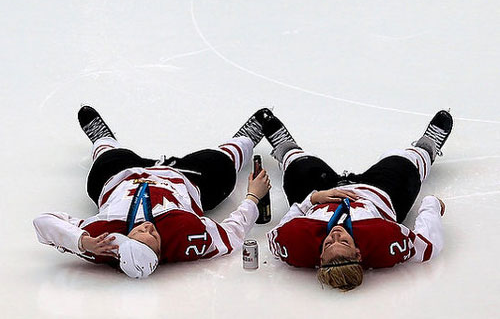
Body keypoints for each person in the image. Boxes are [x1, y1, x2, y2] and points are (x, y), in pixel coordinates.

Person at [33, 106, 271, 278]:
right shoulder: (188, 240)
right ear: (160, 252)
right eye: (154, 237)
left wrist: (81, 241)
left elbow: (43, 221)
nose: (148, 227)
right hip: (185, 177)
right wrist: (253, 196)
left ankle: (103, 140)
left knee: (106, 163)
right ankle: (247, 138)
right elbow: (232, 234)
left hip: (123, 173)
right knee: (220, 167)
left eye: (140, 232)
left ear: (124, 240)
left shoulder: (101, 240)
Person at [262, 109, 452, 291]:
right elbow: (428, 245)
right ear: (358, 253)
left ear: (320, 258)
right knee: (404, 165)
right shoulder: (384, 241)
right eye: (344, 242)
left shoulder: (296, 245)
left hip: (322, 190)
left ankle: (286, 149)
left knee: (299, 168)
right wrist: (431, 205)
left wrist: (311, 199)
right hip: (378, 191)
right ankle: (426, 148)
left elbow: (277, 233)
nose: (336, 235)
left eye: (328, 244)